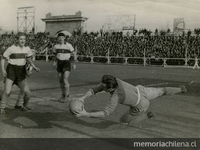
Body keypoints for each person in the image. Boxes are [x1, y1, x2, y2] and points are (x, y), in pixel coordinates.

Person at [74, 74, 187, 125]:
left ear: (111, 88)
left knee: (123, 121)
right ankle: (180, 89)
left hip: (140, 104)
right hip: (141, 90)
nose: (101, 87)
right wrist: (82, 98)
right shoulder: (113, 80)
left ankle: (146, 115)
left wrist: (85, 114)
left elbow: (105, 113)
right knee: (161, 91)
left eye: (105, 88)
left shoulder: (116, 96)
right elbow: (94, 90)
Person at [0, 32, 40, 116]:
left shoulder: (27, 49)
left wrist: (34, 66)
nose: (22, 41)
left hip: (21, 71)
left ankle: (22, 106)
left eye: (24, 39)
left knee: (27, 92)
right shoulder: (11, 48)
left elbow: (28, 58)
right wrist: (3, 70)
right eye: (21, 39)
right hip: (12, 70)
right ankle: (1, 108)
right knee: (7, 91)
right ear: (17, 40)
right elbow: (3, 58)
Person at [53, 33, 76, 103]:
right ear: (57, 38)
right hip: (59, 63)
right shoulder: (56, 46)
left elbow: (74, 53)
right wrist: (54, 62)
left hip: (66, 62)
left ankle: (66, 96)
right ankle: (63, 95)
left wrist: (74, 63)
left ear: (64, 38)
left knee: (65, 78)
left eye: (62, 37)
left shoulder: (68, 45)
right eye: (59, 37)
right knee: (60, 79)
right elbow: (55, 55)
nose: (60, 39)